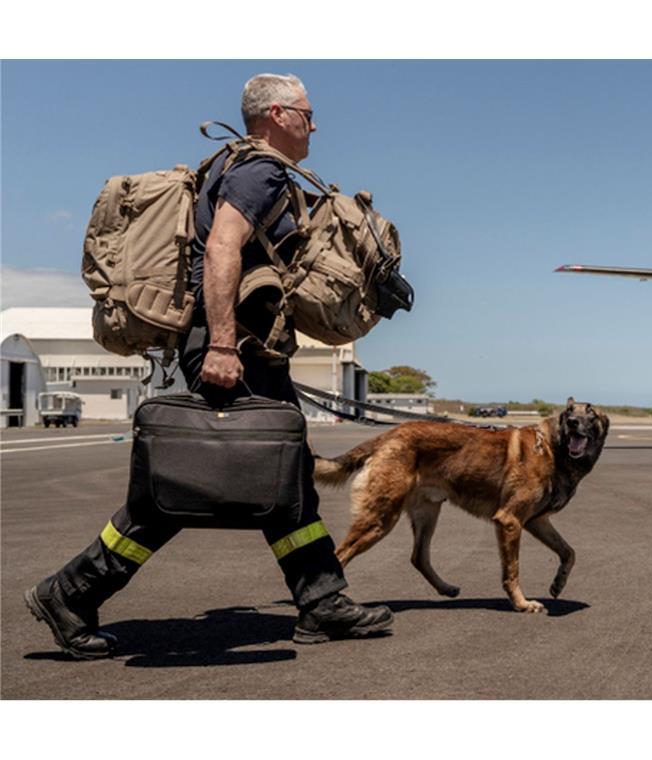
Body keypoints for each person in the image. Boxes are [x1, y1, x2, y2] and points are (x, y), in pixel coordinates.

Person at [25, 73, 392, 659]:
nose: (314, 124)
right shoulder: (259, 170)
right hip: (235, 350)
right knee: (189, 485)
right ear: (277, 113)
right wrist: (221, 344)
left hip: (249, 349)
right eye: (307, 112)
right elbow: (223, 246)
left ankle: (323, 602)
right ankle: (71, 590)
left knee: (287, 482)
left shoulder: (232, 164)